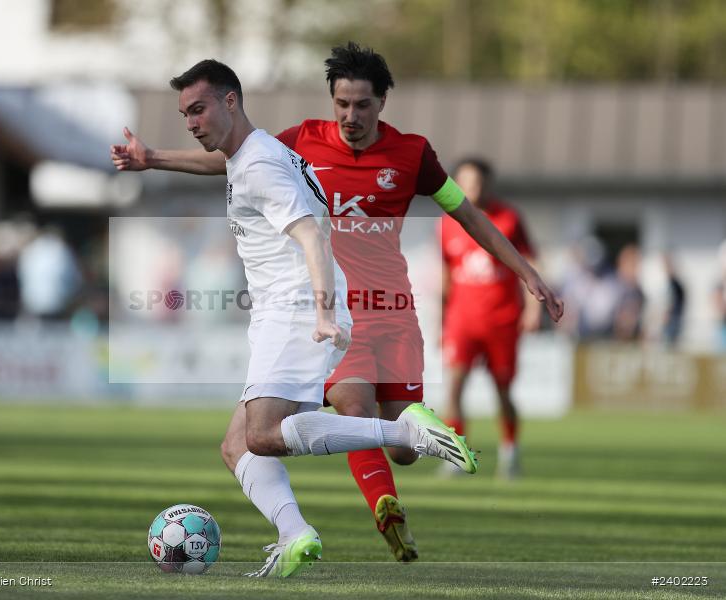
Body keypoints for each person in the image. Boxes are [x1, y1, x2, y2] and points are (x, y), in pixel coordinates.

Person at [111, 46, 563, 563]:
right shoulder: (292, 144)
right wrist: (154, 159)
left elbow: (461, 216)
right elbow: (229, 161)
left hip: (348, 307)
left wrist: (526, 272)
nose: (350, 115)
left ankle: (402, 437)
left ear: (382, 102)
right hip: (317, 306)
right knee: (260, 436)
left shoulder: (408, 154)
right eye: (341, 103)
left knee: (372, 448)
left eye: (362, 104)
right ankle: (307, 529)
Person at [439, 159, 541, 479]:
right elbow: (446, 273)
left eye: (478, 181)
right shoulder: (446, 222)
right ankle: (455, 457)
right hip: (462, 320)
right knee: (454, 388)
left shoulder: (509, 219)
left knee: (503, 390)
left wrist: (533, 307)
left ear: (488, 183)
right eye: (466, 180)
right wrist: (443, 318)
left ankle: (510, 453)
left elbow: (530, 261)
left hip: (502, 320)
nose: (473, 187)